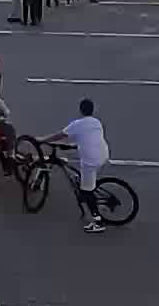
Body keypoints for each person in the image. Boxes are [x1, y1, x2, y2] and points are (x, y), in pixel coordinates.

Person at [39, 99, 111, 232]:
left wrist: (41, 139)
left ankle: (98, 222)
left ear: (81, 110)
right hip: (103, 155)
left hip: (91, 160)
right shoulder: (96, 122)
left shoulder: (77, 124)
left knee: (86, 191)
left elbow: (59, 135)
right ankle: (89, 189)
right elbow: (88, 138)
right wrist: (72, 146)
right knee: (87, 182)